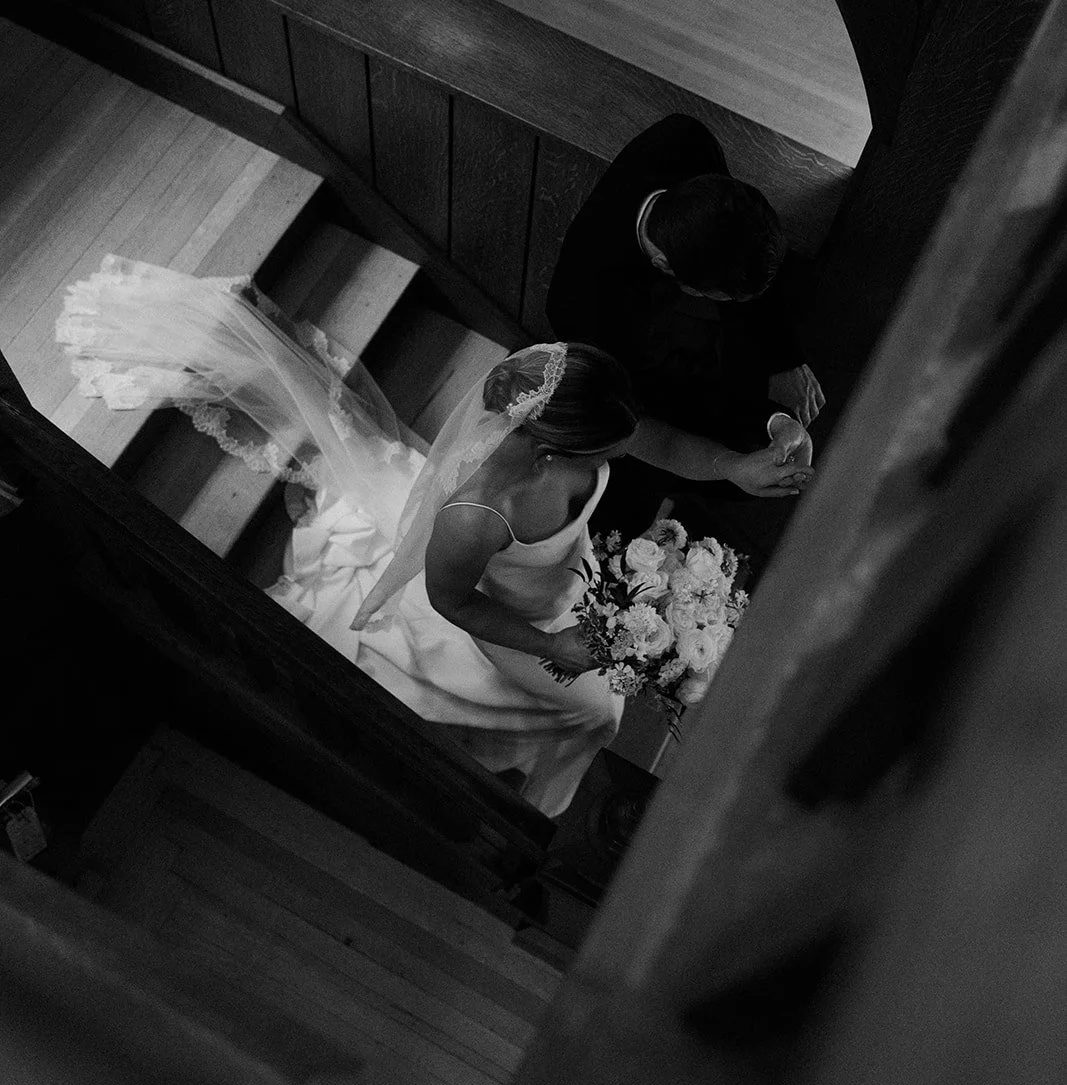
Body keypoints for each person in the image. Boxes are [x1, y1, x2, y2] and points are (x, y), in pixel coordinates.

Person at [57, 256, 810, 818]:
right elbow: (452, 603)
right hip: (510, 617)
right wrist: (551, 647)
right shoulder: (475, 515)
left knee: (596, 709)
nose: (620, 457)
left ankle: (544, 770)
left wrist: (732, 467)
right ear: (551, 454)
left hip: (566, 586)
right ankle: (534, 808)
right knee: (595, 711)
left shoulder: (588, 419)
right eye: (607, 453)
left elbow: (657, 441)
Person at [547, 112, 824, 558]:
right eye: (725, 300)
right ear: (668, 271)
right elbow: (645, 426)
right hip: (630, 407)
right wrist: (736, 455)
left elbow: (743, 251)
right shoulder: (584, 303)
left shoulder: (685, 143)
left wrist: (781, 360)